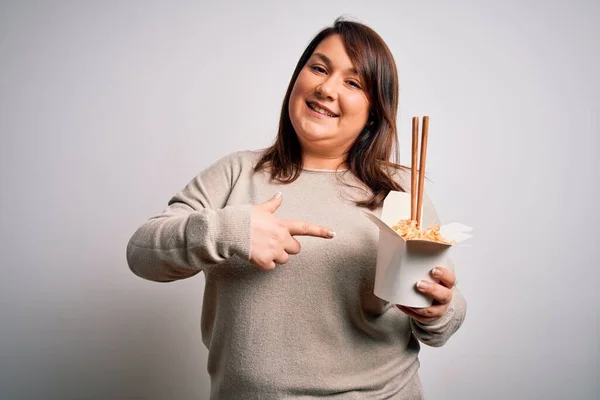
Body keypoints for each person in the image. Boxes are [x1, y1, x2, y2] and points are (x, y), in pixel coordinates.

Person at [126, 17, 466, 400]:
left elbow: (443, 317)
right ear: (297, 78)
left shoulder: (402, 192)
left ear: (373, 111)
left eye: (353, 83)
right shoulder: (237, 172)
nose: (326, 87)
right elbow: (142, 254)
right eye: (319, 68)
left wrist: (438, 309)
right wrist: (229, 231)